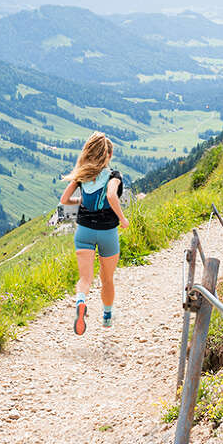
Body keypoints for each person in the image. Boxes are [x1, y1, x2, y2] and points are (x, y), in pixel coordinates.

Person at [60, 132, 129, 335]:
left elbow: (64, 199)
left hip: (84, 232)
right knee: (107, 278)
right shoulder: (114, 176)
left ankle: (81, 302)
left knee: (85, 279)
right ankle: (107, 316)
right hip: (107, 232)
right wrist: (122, 219)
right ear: (108, 154)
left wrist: (79, 201)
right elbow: (110, 195)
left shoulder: (82, 175)